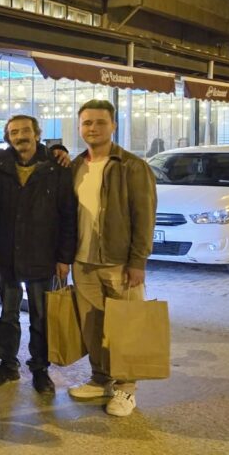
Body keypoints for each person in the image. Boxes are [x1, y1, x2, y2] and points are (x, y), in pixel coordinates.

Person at [68, 100, 157, 417]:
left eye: (100, 122)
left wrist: (138, 261)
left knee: (126, 327)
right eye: (87, 123)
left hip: (119, 262)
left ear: (113, 126)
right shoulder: (76, 166)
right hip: (83, 262)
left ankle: (126, 389)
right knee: (92, 328)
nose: (92, 128)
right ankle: (100, 379)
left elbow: (144, 216)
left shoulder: (132, 166)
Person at [0, 115, 76, 395]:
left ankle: (40, 369)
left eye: (25, 130)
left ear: (37, 134)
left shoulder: (56, 168)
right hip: (7, 255)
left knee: (41, 316)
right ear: (7, 137)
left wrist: (64, 257)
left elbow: (68, 215)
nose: (20, 136)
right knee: (7, 314)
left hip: (42, 255)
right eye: (14, 132)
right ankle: (7, 364)